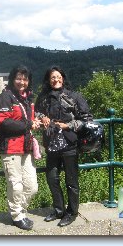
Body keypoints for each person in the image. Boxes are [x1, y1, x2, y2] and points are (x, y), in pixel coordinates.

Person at [35, 65, 93, 227]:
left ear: (63, 78)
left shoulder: (74, 96)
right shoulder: (43, 97)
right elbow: (37, 112)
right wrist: (42, 117)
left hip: (70, 144)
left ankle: (72, 212)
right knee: (52, 178)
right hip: (51, 144)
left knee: (71, 180)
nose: (56, 79)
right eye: (52, 77)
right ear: (48, 80)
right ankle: (59, 209)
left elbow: (87, 119)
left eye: (58, 76)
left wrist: (68, 126)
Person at [0, 65, 41, 231]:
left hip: (26, 148)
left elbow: (32, 117)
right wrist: (29, 124)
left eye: (25, 79)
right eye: (19, 78)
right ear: (12, 79)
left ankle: (21, 210)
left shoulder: (27, 98)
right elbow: (4, 123)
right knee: (16, 185)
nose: (22, 82)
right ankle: (17, 216)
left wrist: (40, 120)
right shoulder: (5, 98)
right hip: (11, 148)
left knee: (32, 187)